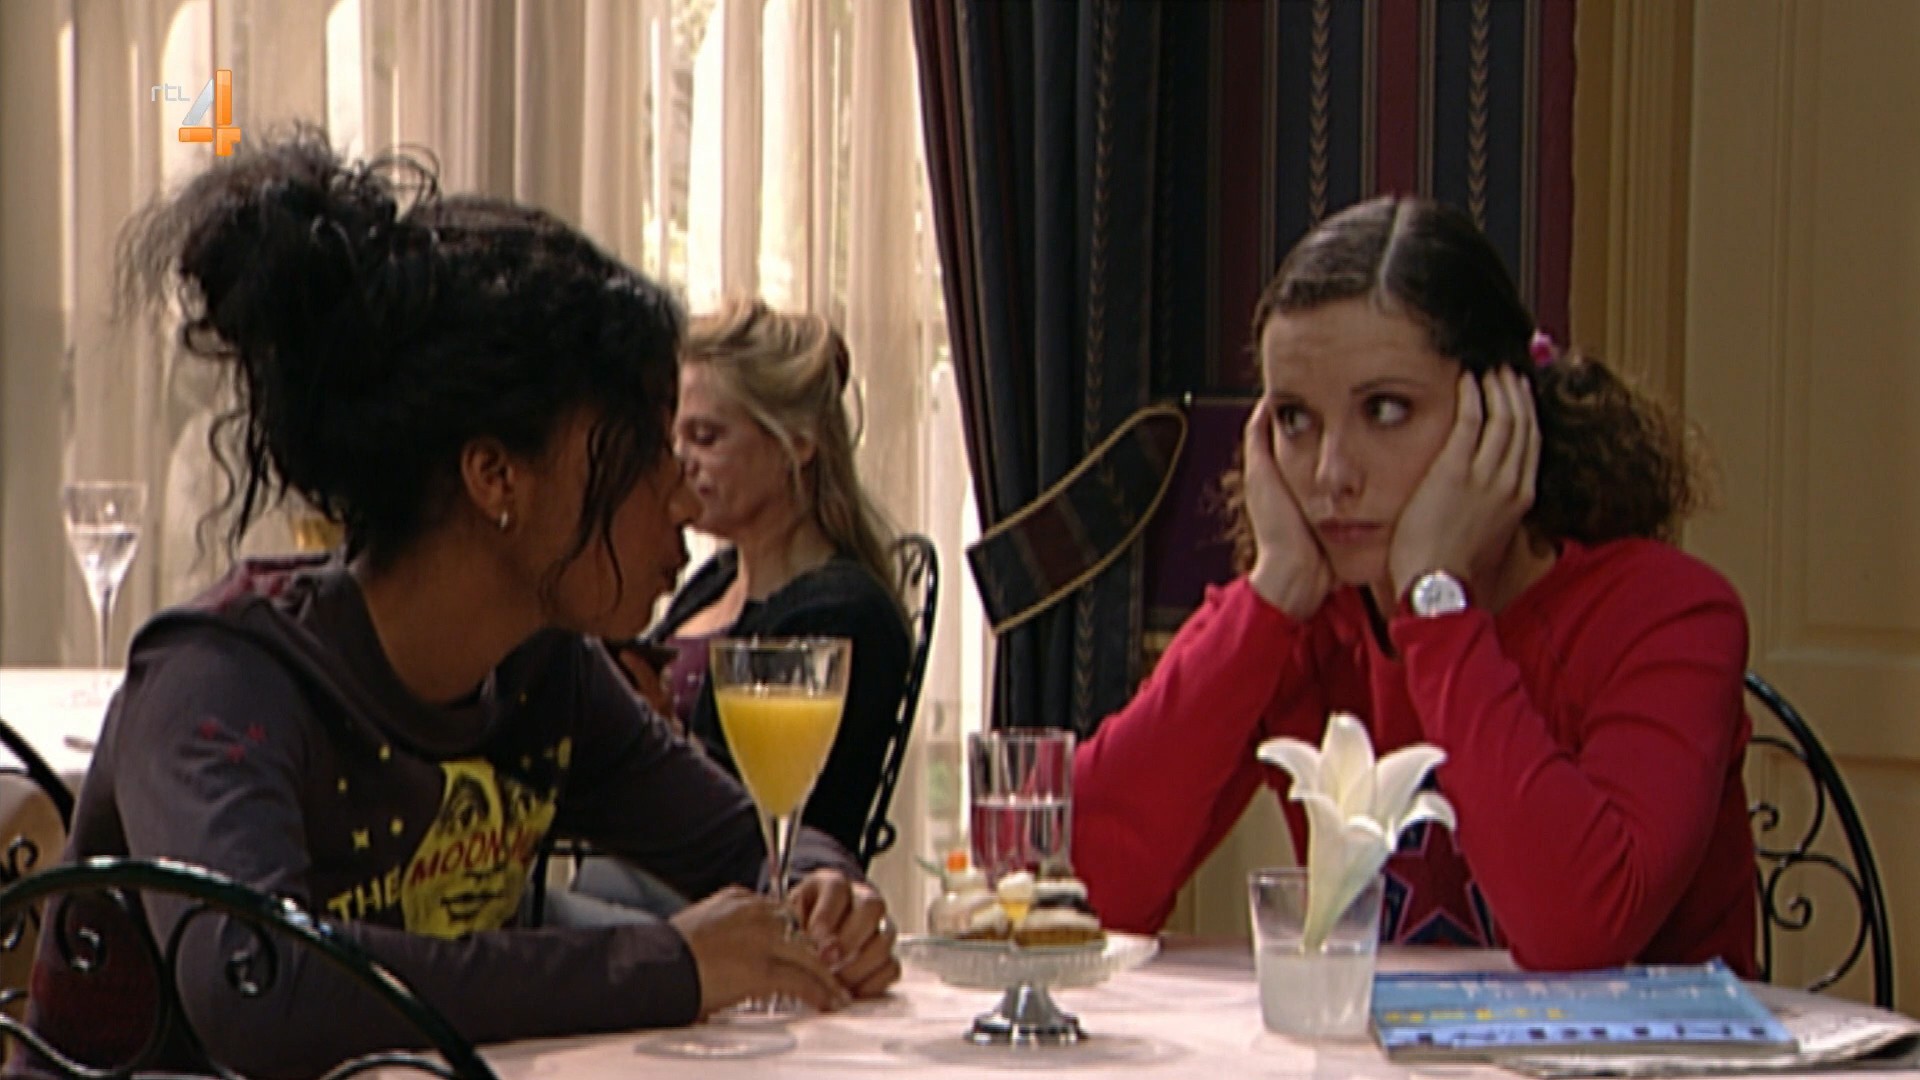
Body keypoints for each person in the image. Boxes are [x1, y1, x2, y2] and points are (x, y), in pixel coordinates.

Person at [24, 127, 898, 1077]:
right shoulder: (221, 681)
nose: (684, 499)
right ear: (495, 475)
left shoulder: (541, 676)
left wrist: (825, 894)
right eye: (645, 451)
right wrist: (664, 966)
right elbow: (263, 988)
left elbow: (746, 842)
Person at [1074, 196, 1756, 975]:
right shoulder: (1302, 619)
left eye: (1385, 410)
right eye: (1294, 419)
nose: (1331, 474)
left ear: (1498, 414)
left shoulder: (1670, 615)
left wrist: (1436, 604)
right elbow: (1083, 892)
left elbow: (1578, 933)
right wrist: (1272, 594)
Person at [629, 299, 911, 859]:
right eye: (673, 440)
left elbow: (767, 812)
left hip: (758, 883)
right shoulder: (714, 582)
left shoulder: (844, 612)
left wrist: (651, 728)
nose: (681, 462)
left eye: (706, 437)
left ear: (798, 443)